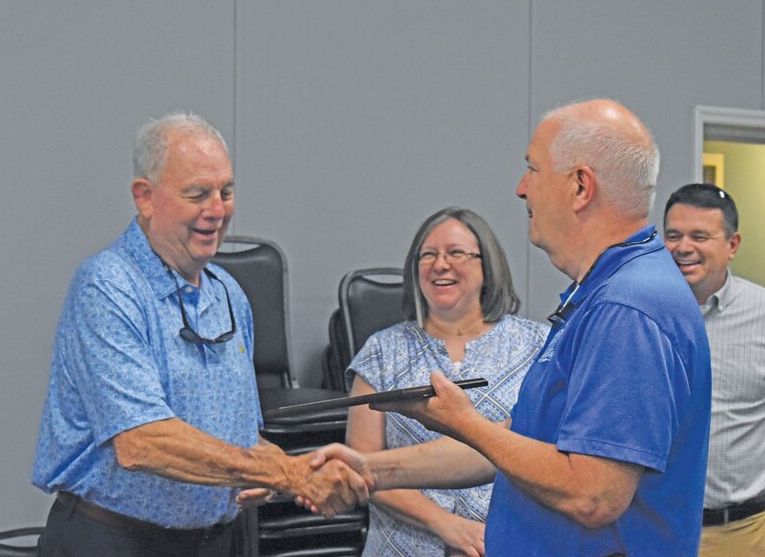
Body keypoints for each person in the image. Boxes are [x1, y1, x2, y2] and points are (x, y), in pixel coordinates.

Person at [306, 99, 712, 556]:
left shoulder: (628, 308)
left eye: (532, 170)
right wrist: (370, 468)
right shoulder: (601, 295)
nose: (521, 189)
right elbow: (518, 443)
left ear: (581, 187)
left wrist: (467, 424)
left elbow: (593, 493)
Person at [31, 112, 368, 556]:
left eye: (226, 192)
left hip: (224, 540)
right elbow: (141, 442)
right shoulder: (108, 287)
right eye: (197, 194)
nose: (217, 210)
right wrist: (285, 474)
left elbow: (241, 436)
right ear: (145, 197)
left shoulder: (229, 294)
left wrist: (290, 468)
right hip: (119, 541)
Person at [345, 207, 548, 557]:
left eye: (456, 253)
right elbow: (363, 466)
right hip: (403, 546)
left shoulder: (538, 345)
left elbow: (547, 460)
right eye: (428, 255)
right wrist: (445, 524)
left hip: (508, 543)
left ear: (487, 265)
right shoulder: (381, 351)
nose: (440, 265)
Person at [664, 183, 765, 556]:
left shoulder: (762, 315)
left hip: (744, 533)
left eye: (699, 236)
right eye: (673, 235)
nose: (683, 247)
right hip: (653, 528)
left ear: (732, 245)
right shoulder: (640, 313)